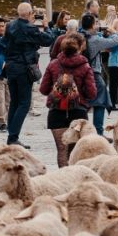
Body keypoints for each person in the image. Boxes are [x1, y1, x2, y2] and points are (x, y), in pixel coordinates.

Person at [2, 3, 59, 145]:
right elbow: (47, 40)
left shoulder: (10, 26)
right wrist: (46, 25)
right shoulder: (30, 28)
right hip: (23, 68)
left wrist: (29, 23)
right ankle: (13, 137)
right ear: (29, 13)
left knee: (14, 102)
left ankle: (12, 135)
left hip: (11, 67)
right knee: (24, 103)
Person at [40, 34, 97, 167]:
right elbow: (92, 93)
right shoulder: (85, 66)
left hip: (56, 112)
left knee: (61, 150)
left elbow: (43, 89)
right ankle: (75, 180)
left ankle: (62, 180)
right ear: (80, 47)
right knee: (76, 150)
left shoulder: (53, 64)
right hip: (78, 113)